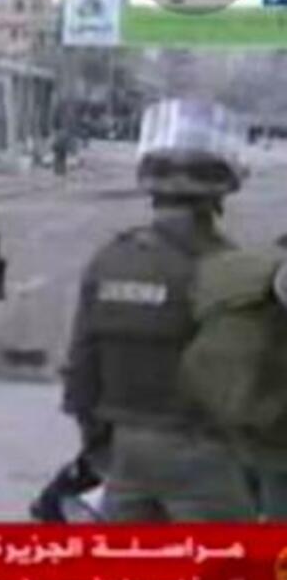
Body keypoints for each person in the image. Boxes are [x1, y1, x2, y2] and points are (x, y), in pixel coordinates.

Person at [62, 98, 256, 522]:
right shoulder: (231, 269)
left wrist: (100, 446)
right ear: (219, 192)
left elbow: (81, 368)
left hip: (126, 450)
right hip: (205, 451)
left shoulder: (111, 258)